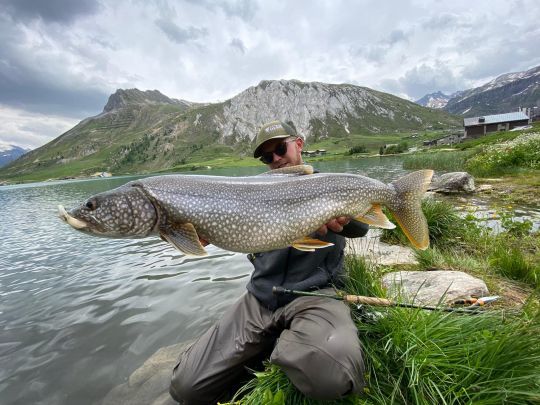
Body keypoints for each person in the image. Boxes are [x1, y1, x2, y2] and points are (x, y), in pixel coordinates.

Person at [169, 120, 369, 404]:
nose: (275, 159)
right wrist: (196, 232)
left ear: (298, 144)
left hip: (315, 294)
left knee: (332, 378)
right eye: (267, 156)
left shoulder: (329, 184)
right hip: (261, 298)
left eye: (279, 148)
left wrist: (345, 221)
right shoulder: (255, 192)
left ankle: (284, 350)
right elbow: (219, 224)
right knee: (185, 387)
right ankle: (275, 352)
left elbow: (363, 228)